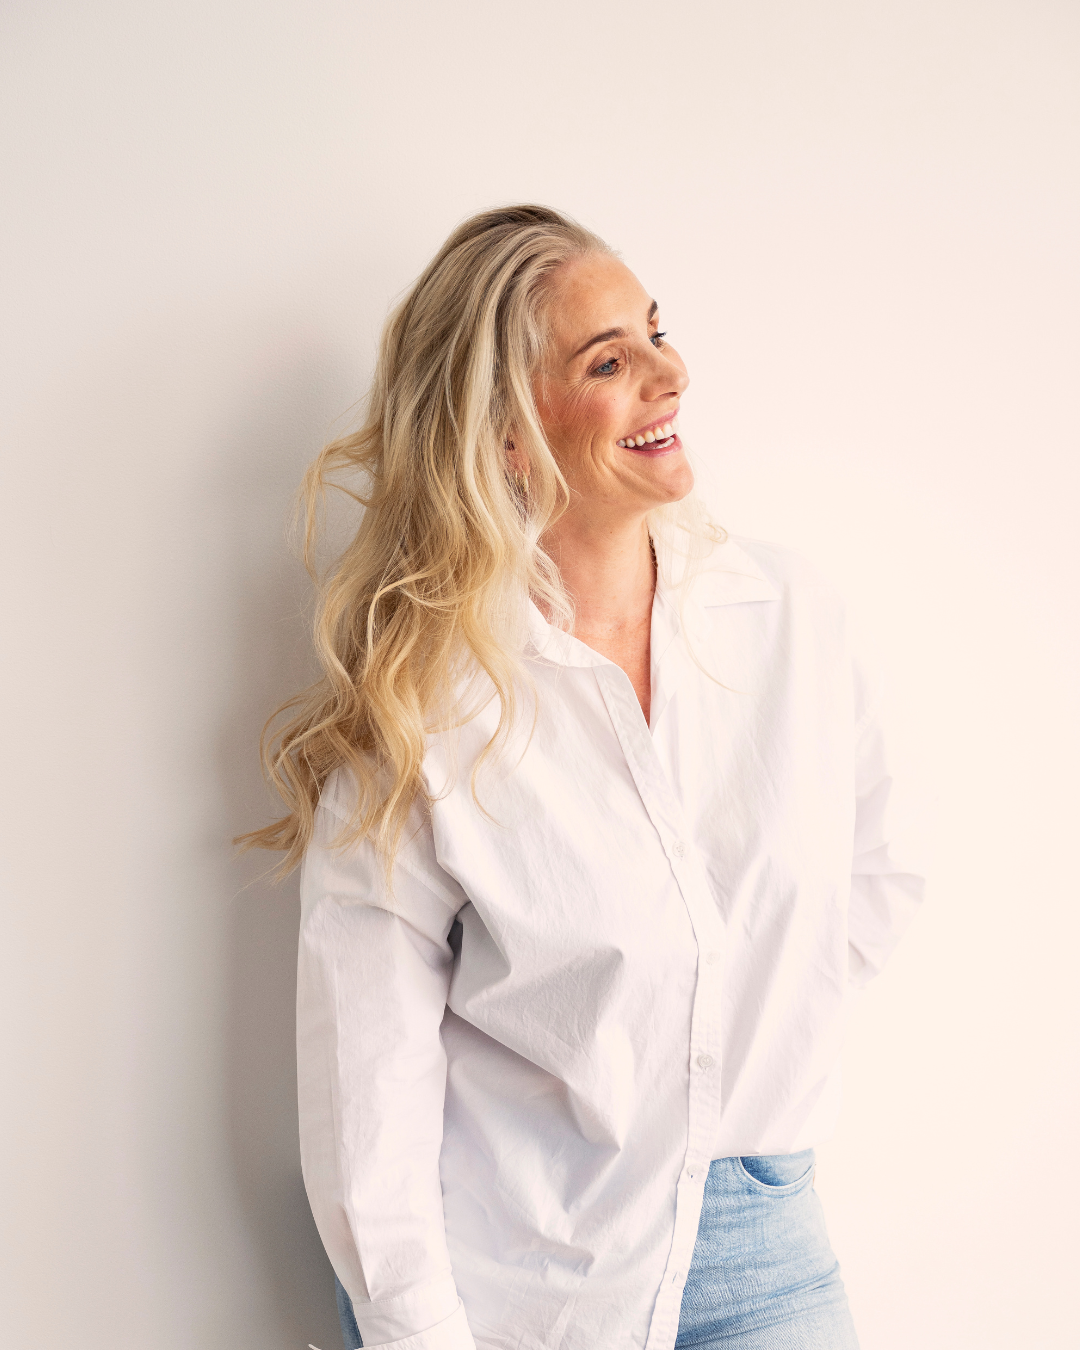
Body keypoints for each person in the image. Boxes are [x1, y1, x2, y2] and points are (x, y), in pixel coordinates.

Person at [241, 204, 924, 1350]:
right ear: (510, 434)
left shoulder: (789, 618)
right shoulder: (424, 703)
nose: (671, 373)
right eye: (609, 361)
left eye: (656, 332)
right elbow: (367, 1091)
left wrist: (703, 1053)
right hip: (518, 1277)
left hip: (759, 1237)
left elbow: (877, 880)